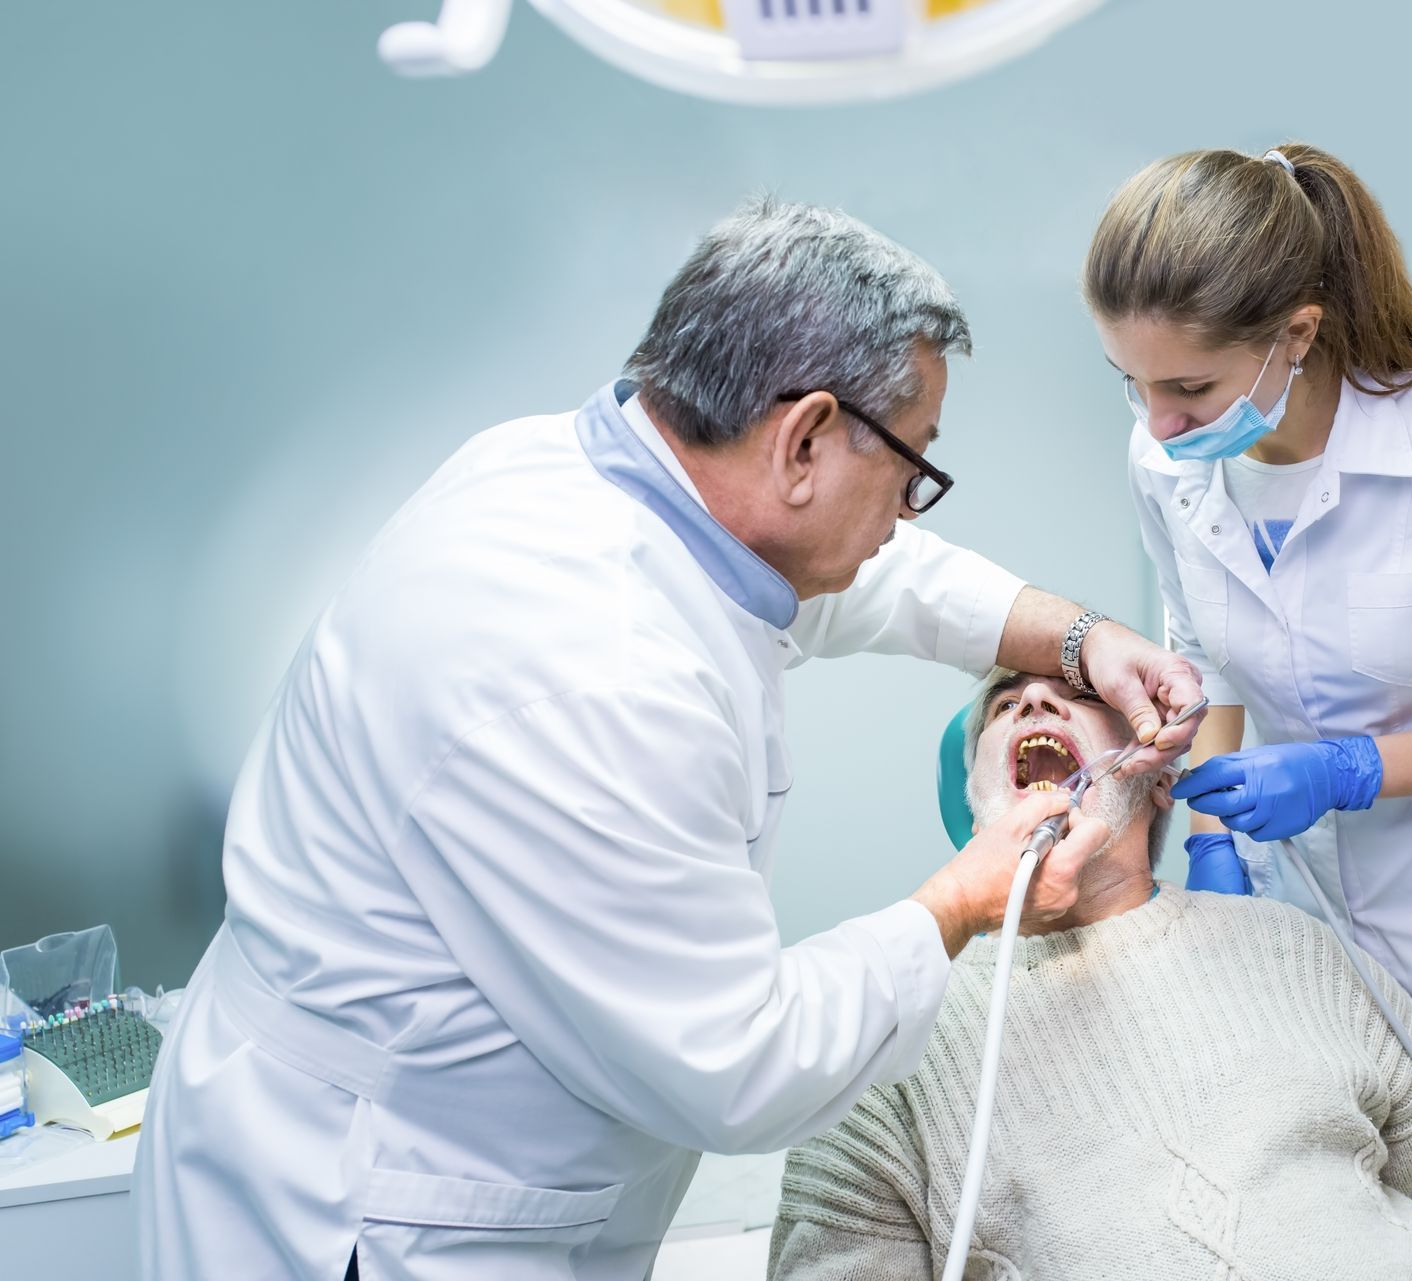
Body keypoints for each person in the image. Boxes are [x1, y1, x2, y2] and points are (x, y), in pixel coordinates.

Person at [132, 198, 1203, 1280]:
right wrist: (969, 898)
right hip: (382, 1207)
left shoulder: (597, 479)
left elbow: (850, 575)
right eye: (912, 471)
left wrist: (1081, 639)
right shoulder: (588, 674)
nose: (905, 519)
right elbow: (738, 1061)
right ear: (804, 440)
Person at [1084, 143, 1412, 1204]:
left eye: (1190, 386)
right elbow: (1201, 652)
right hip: (1292, 949)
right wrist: (1209, 837)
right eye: (1133, 385)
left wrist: (1347, 771)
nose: (1158, 425)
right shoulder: (1167, 459)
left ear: (1297, 331)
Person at [765, 670, 1412, 1281]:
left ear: (1157, 773)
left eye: (1078, 692)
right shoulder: (892, 1035)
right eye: (1002, 708)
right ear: (973, 808)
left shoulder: (1296, 951)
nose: (1034, 697)